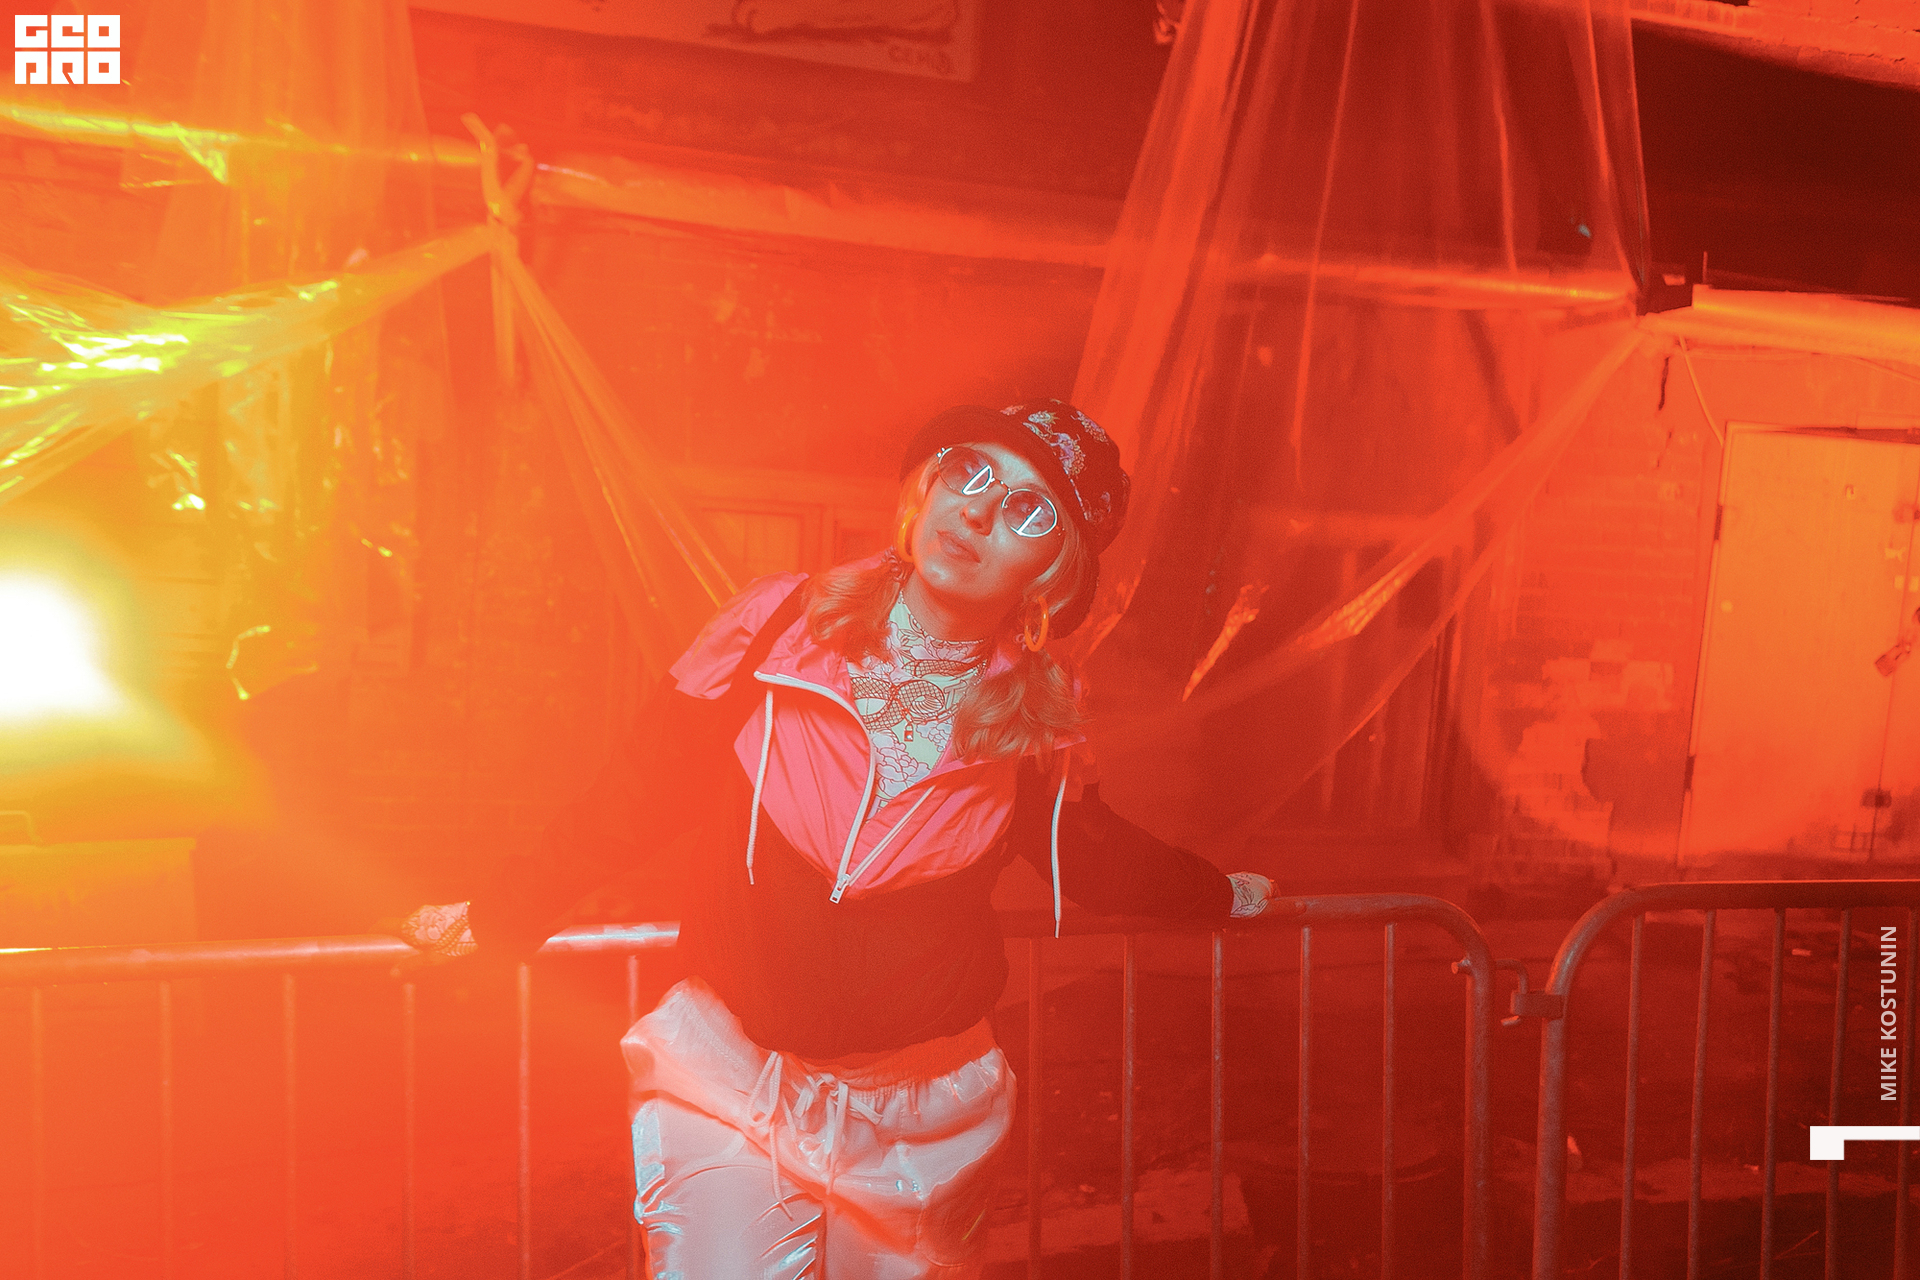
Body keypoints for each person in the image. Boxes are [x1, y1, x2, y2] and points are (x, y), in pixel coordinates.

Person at [397, 399, 1275, 1278]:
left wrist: (1220, 893)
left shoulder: (1037, 721)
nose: (977, 510)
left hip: (926, 1123)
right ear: (927, 488)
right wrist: (504, 911)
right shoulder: (776, 627)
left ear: (1053, 572)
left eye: (1027, 509)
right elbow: (639, 789)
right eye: (969, 472)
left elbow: (1096, 858)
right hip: (731, 1082)